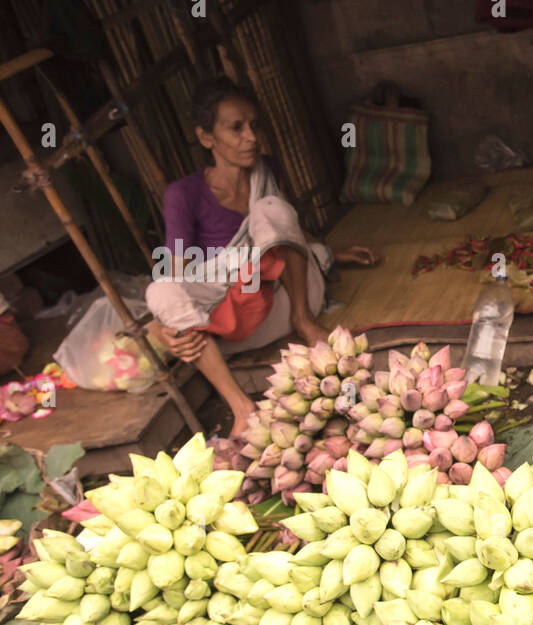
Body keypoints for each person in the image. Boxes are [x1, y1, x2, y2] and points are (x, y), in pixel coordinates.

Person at [144, 77, 380, 437]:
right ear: (207, 137)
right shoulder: (183, 194)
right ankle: (242, 408)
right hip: (231, 322)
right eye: (236, 128)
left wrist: (332, 253)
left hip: (288, 301)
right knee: (159, 291)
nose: (251, 137)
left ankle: (305, 321)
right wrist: (161, 327)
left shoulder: (265, 171)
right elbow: (176, 271)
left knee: (270, 207)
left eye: (254, 125)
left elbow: (283, 229)